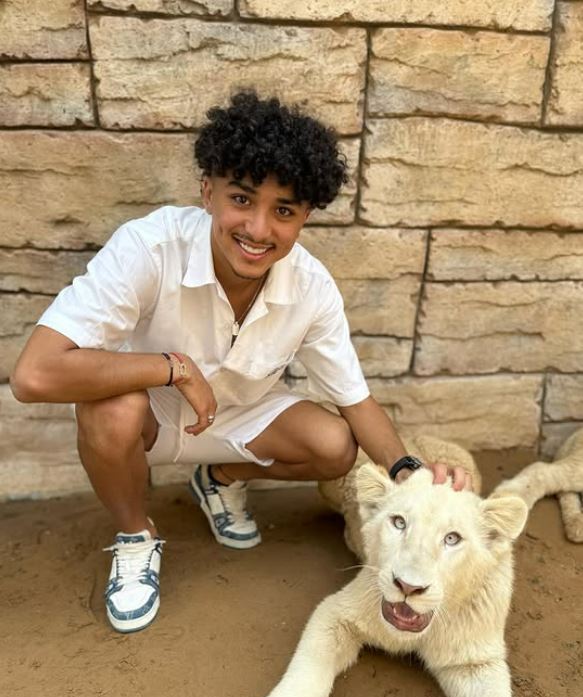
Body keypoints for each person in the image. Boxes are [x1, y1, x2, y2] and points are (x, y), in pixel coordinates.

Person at [10, 91, 471, 634]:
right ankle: (137, 536)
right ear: (208, 191)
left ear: (305, 216)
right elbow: (34, 374)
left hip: (240, 417)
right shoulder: (149, 246)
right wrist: (173, 368)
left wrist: (411, 474)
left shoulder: (312, 287)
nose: (257, 229)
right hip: (150, 420)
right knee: (109, 408)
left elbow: (355, 400)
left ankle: (220, 477)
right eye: (242, 199)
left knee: (337, 446)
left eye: (283, 211)